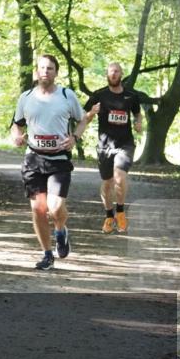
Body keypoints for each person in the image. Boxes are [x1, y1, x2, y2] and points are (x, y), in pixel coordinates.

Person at [10, 54, 85, 270]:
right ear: (36, 71)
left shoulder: (66, 95)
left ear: (56, 72)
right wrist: (16, 136)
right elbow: (17, 124)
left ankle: (61, 230)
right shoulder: (26, 97)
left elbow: (82, 120)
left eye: (50, 68)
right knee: (38, 209)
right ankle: (47, 254)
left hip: (59, 159)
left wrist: (75, 138)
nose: (45, 71)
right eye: (42, 68)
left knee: (55, 207)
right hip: (33, 158)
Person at [73, 62, 144, 233]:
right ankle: (109, 215)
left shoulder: (131, 95)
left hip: (125, 144)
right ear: (107, 74)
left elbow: (137, 113)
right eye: (111, 71)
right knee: (107, 183)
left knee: (119, 178)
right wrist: (91, 113)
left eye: (117, 71)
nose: (114, 74)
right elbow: (83, 118)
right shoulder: (99, 95)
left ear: (121, 74)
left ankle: (120, 213)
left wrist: (139, 123)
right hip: (105, 146)